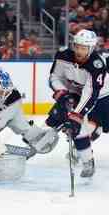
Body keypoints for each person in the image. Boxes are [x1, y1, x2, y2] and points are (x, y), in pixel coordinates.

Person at [45, 29, 109, 178]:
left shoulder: (96, 64)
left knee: (88, 125)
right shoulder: (63, 55)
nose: (79, 51)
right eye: (77, 47)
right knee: (58, 118)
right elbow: (54, 77)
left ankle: (89, 143)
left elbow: (90, 93)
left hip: (103, 96)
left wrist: (76, 115)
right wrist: (61, 92)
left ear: (91, 48)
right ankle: (86, 159)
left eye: (84, 48)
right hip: (76, 92)